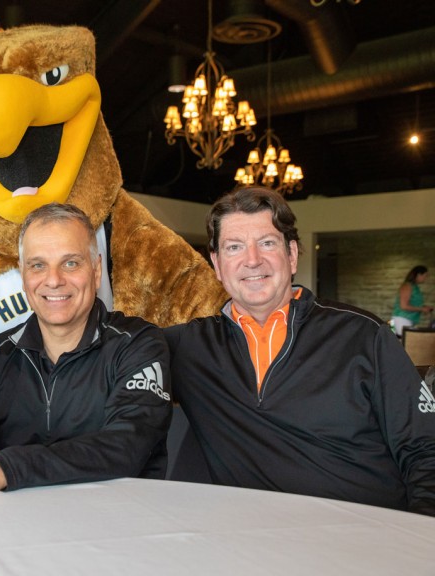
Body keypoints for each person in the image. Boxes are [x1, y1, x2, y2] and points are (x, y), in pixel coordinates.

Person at [165, 186, 435, 516]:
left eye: (267, 243)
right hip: (259, 543)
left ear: (292, 255)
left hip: (369, 537)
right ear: (218, 264)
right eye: (234, 247)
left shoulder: (362, 335)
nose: (252, 260)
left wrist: (421, 535)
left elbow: (425, 447)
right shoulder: (187, 348)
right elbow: (101, 352)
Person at [0, 203, 173, 496]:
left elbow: (126, 448)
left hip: (122, 526)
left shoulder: (138, 344)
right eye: (38, 265)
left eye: (70, 263)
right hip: (19, 530)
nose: (53, 280)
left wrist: (6, 468)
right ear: (23, 277)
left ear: (96, 270)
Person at [391, 265, 432, 336]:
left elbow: (412, 303)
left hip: (407, 320)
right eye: (425, 276)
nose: (425, 278)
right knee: (404, 344)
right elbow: (404, 306)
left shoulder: (414, 287)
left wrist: (424, 307)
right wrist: (422, 309)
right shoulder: (407, 286)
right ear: (419, 275)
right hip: (401, 319)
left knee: (407, 343)